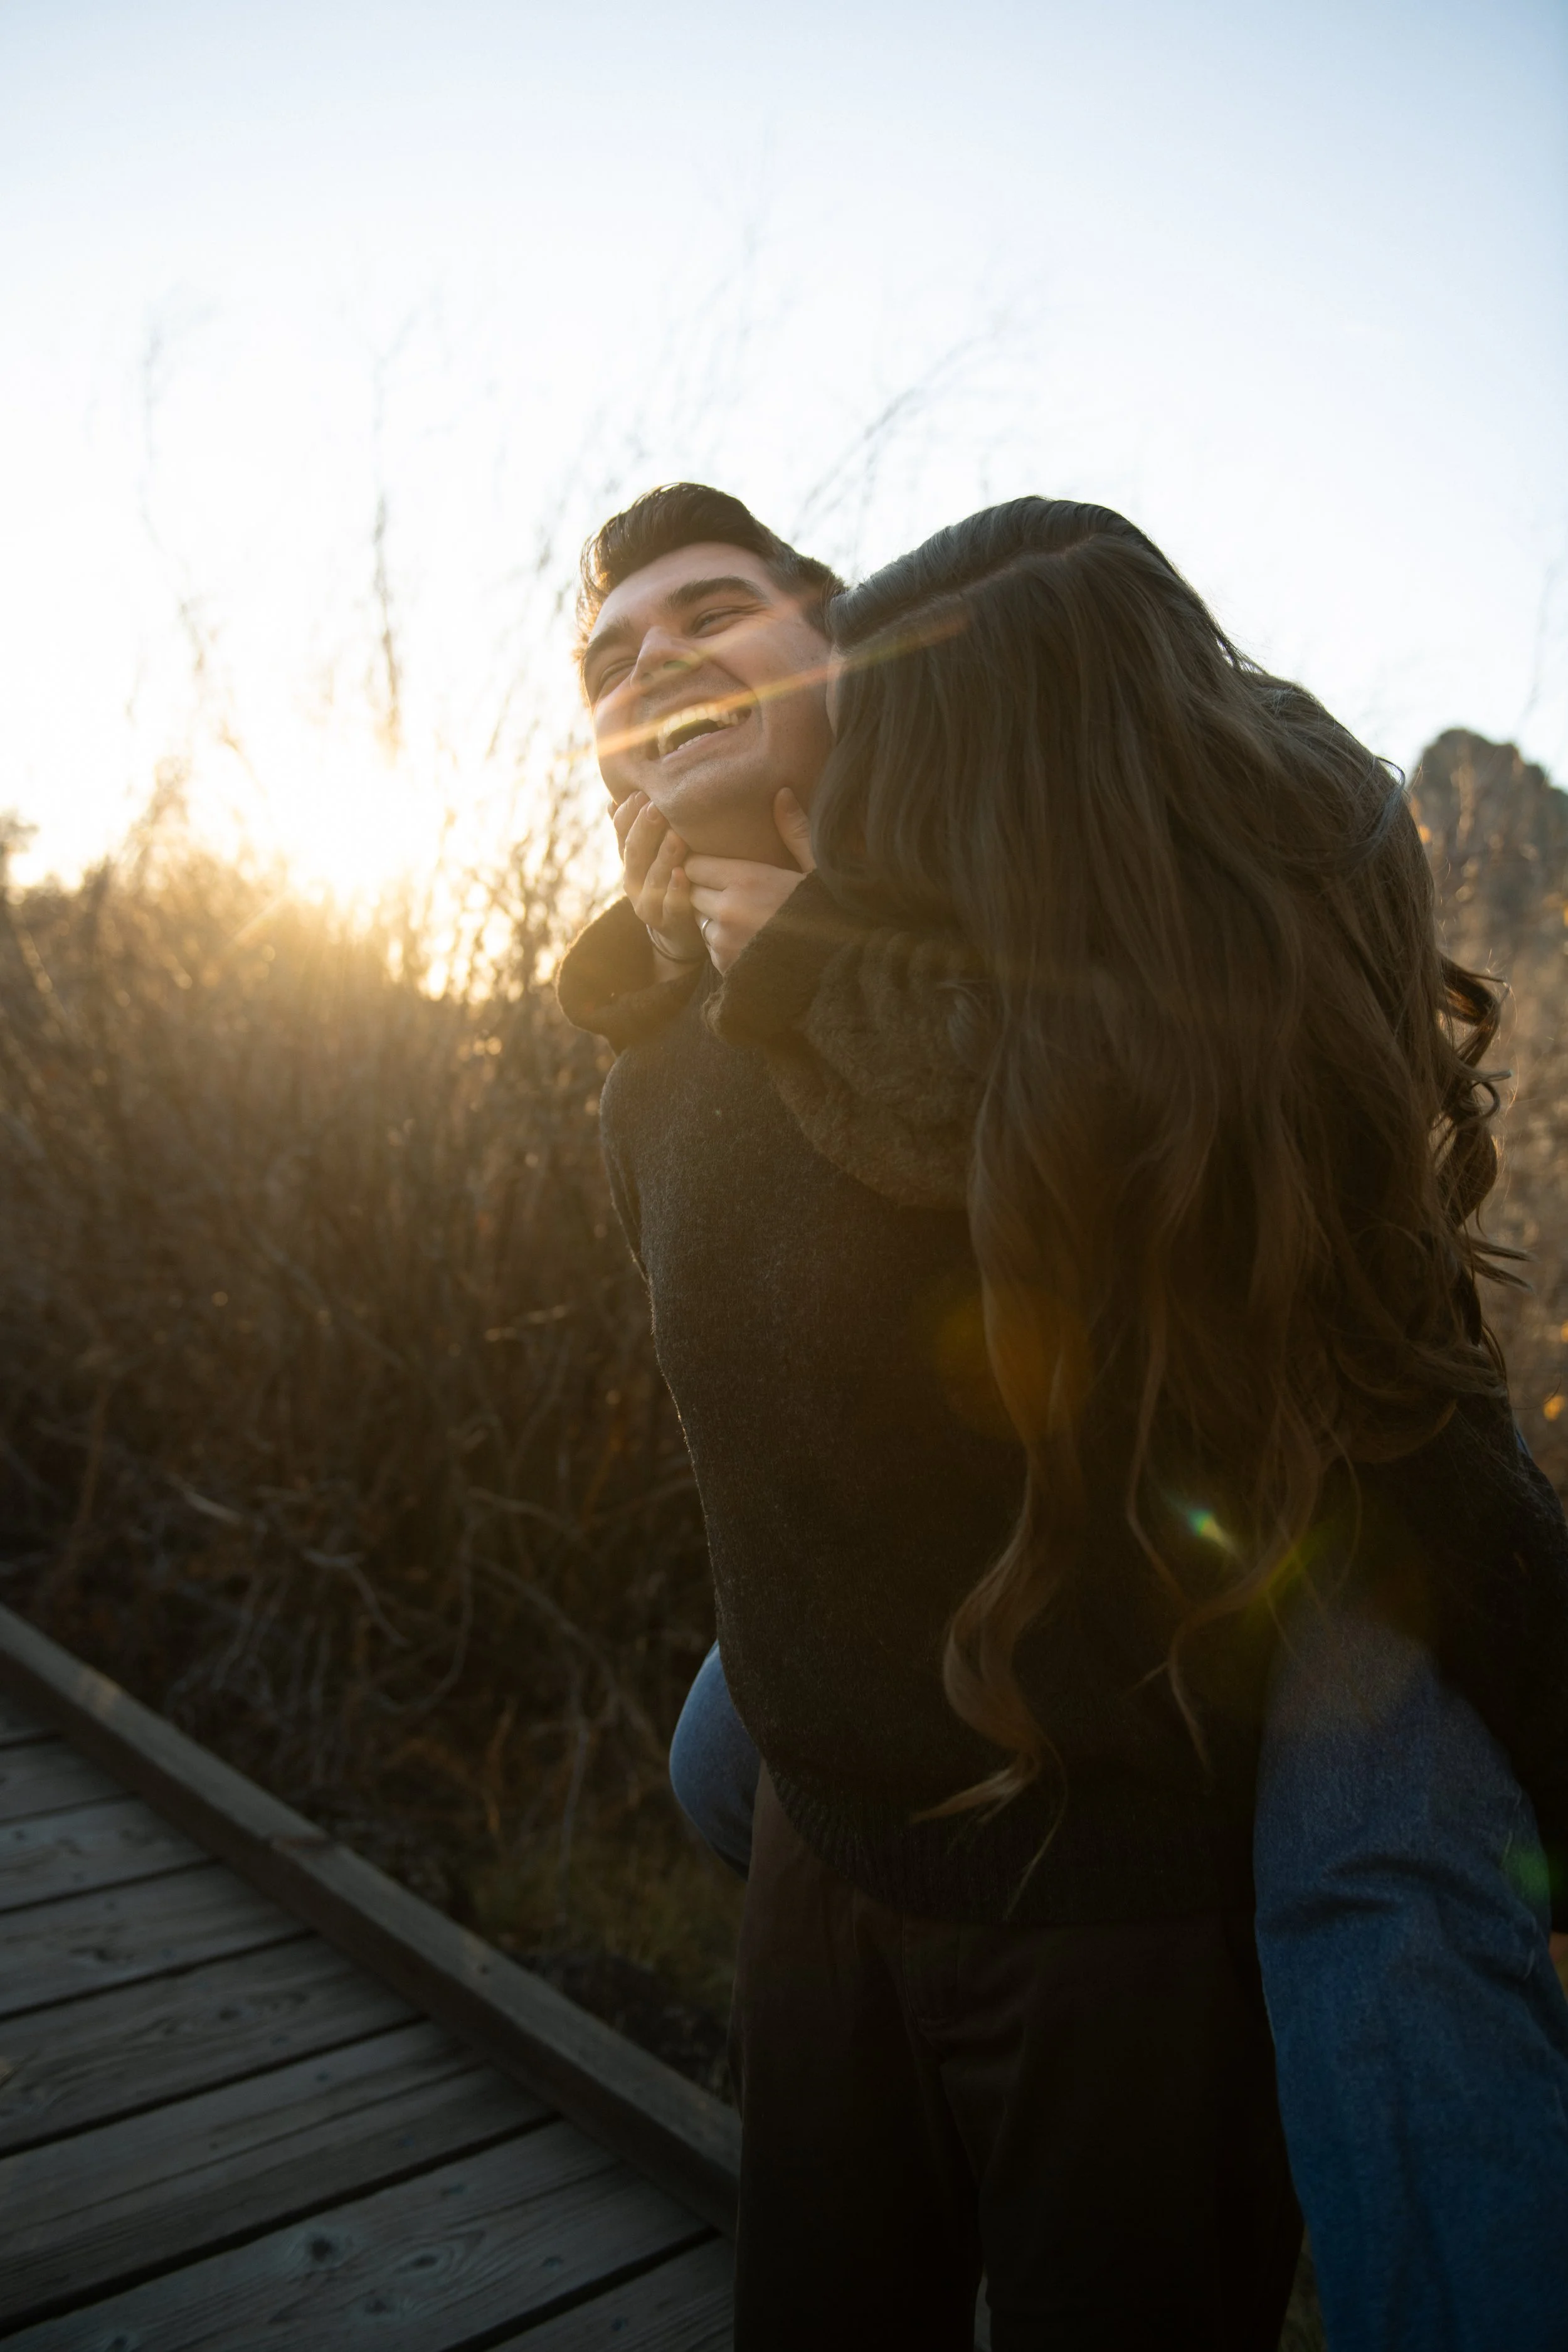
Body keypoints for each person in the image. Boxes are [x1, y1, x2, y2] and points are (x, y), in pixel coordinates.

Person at [559, 485, 1568, 2351]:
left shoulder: (1050, 955)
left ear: (839, 645)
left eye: (709, 613)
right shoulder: (676, 1040)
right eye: (610, 658)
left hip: (1112, 1844)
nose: (654, 668)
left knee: (1385, 1894)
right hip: (835, 1807)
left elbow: (1192, 1280)